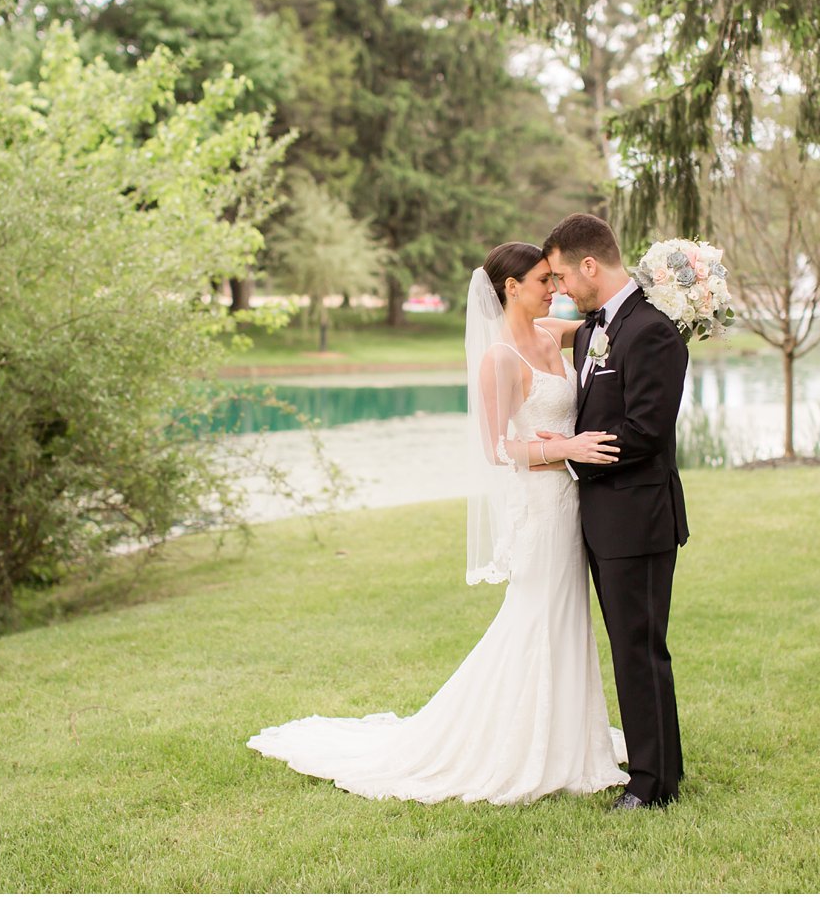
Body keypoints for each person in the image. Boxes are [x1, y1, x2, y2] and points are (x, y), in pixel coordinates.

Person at [247, 242, 629, 805]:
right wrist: (566, 446)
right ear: (511, 288)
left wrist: (676, 296)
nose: (555, 289)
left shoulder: (553, 334)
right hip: (538, 507)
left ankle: (571, 737)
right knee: (534, 618)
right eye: (544, 280)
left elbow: (610, 314)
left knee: (568, 615)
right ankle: (518, 744)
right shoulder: (499, 359)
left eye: (555, 279)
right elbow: (497, 450)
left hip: (570, 504)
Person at [538, 212, 690, 810]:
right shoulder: (601, 325)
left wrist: (572, 460)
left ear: (590, 266)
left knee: (639, 647)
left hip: (638, 520)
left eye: (561, 276)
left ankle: (653, 786)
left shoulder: (650, 330)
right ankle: (656, 767)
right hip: (606, 520)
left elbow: (645, 430)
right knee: (629, 646)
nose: (559, 289)